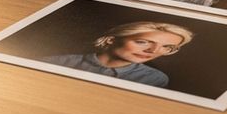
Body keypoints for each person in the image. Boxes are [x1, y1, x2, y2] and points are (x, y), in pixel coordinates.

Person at [41, 21, 195, 87]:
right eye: (142, 42)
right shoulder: (53, 62)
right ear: (111, 40)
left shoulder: (154, 78)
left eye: (167, 47)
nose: (153, 51)